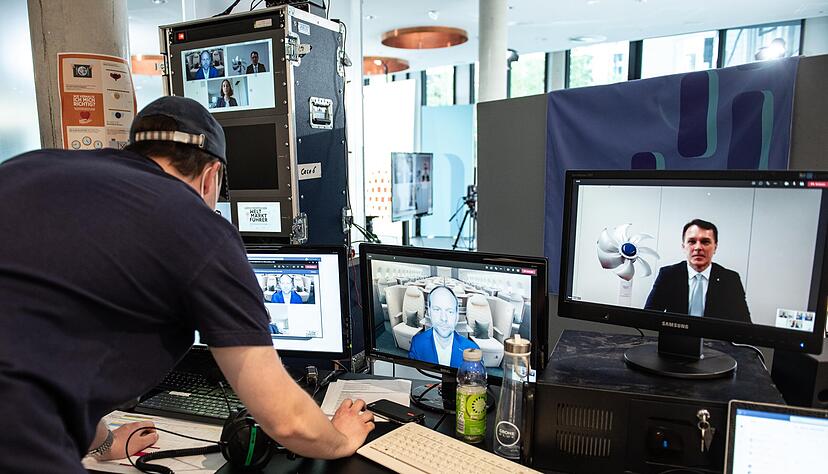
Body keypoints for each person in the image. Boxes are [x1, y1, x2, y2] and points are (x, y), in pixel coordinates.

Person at [0, 96, 373, 473]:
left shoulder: (30, 168)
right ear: (212, 175)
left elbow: (52, 350)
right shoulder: (197, 228)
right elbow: (286, 420)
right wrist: (341, 438)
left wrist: (105, 444)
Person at [644, 219, 751, 323]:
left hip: (714, 340)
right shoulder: (668, 275)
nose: (698, 247)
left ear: (715, 247)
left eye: (705, 242)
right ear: (683, 246)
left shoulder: (730, 280)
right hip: (675, 339)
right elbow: (648, 318)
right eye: (692, 241)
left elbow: (743, 325)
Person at [409, 286, 479, 368]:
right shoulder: (417, 343)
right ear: (429, 313)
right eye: (437, 310)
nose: (443, 318)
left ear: (457, 316)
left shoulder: (473, 350)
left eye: (450, 311)